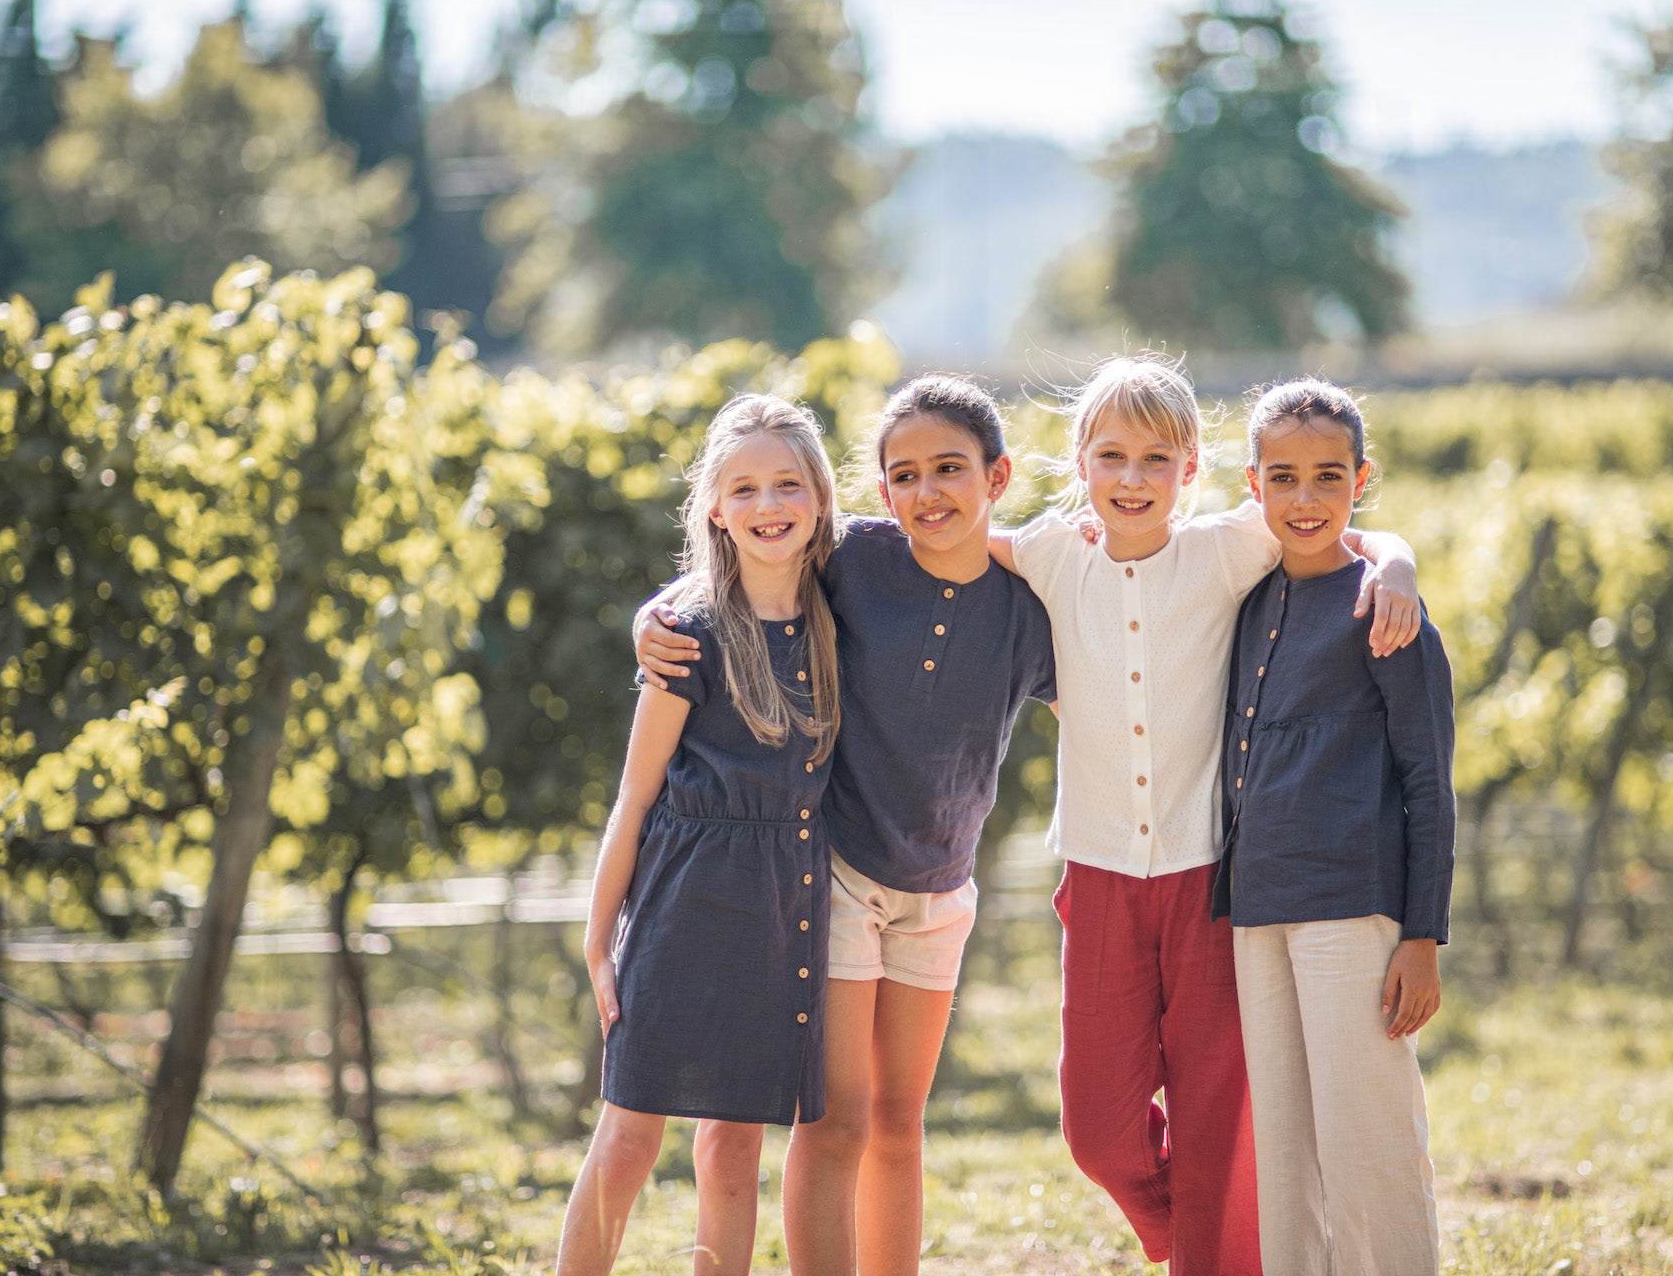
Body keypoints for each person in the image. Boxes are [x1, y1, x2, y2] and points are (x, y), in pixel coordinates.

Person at [987, 355, 1420, 1273]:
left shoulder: (1226, 549)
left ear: (1192, 471)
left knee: (1220, 1122)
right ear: (1079, 465)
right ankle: (1181, 1231)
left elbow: (1340, 529)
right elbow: (933, 536)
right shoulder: (1050, 555)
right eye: (1112, 457)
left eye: (1157, 459)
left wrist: (1399, 563)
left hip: (1210, 886)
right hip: (1099, 881)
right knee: (1098, 1127)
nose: (1133, 479)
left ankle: (1215, 1252)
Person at [637, 374, 1057, 1276]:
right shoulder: (857, 560)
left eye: (950, 469)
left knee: (901, 1130)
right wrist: (654, 612)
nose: (928, 492)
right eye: (903, 474)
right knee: (836, 1123)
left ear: (999, 475)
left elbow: (1130, 661)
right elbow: (743, 565)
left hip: (942, 891)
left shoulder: (1035, 607)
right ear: (878, 489)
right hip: (836, 877)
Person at [557, 394, 844, 1276]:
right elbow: (633, 798)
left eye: (788, 485)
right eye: (745, 489)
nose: (769, 507)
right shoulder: (685, 633)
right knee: (630, 1134)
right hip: (682, 910)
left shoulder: (844, 609)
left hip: (783, 912)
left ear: (822, 497)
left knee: (733, 1149)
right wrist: (601, 937)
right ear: (714, 507)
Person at [1212, 378, 1453, 1275]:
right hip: (1256, 909)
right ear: (1253, 483)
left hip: (1354, 909)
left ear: (1362, 478)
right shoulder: (1244, 599)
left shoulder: (1386, 610)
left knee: (1368, 1144)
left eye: (1326, 477)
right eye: (1283, 477)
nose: (1304, 499)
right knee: (1285, 1153)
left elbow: (1430, 783)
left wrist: (1422, 934)